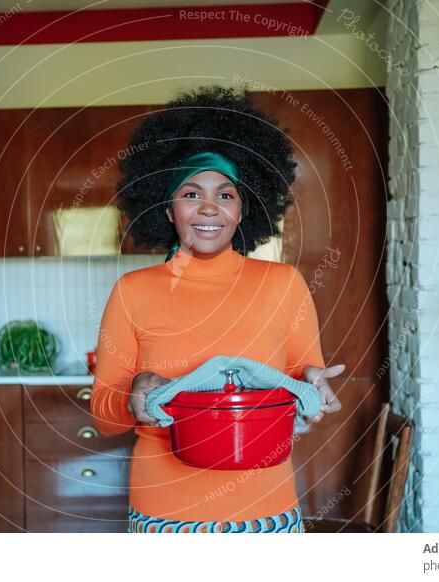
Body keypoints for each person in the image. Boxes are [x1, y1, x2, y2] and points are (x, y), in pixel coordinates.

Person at [91, 84, 344, 533]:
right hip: (164, 512)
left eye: (225, 195)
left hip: (265, 506)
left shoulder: (283, 284)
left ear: (244, 210)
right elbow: (104, 417)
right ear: (168, 210)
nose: (209, 207)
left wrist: (311, 384)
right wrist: (134, 395)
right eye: (191, 194)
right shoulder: (132, 291)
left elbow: (306, 386)